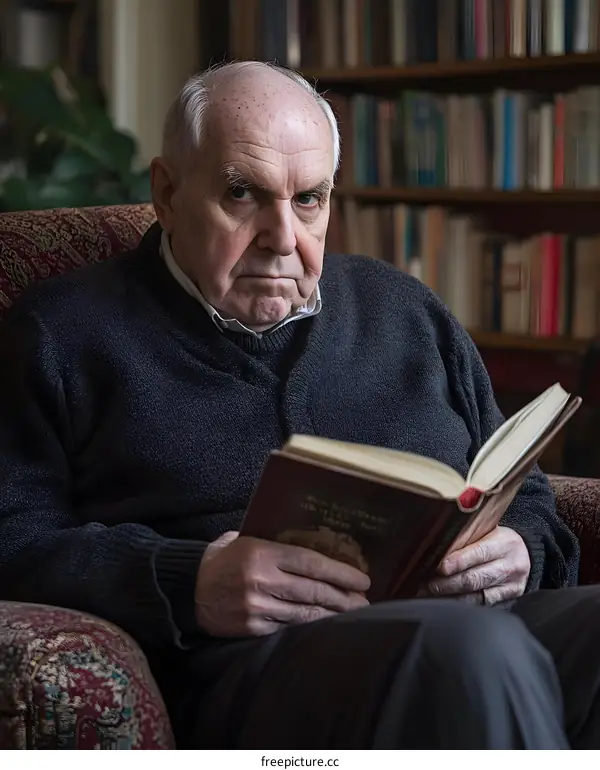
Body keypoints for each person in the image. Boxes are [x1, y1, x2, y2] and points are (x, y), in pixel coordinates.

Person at [0, 59, 598, 750]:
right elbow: (13, 539)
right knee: (469, 655)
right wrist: (186, 580)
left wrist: (520, 549)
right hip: (237, 666)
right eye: (242, 194)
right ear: (166, 192)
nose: (283, 237)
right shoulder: (61, 334)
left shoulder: (404, 310)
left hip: (462, 633)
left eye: (309, 199)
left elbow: (527, 496)